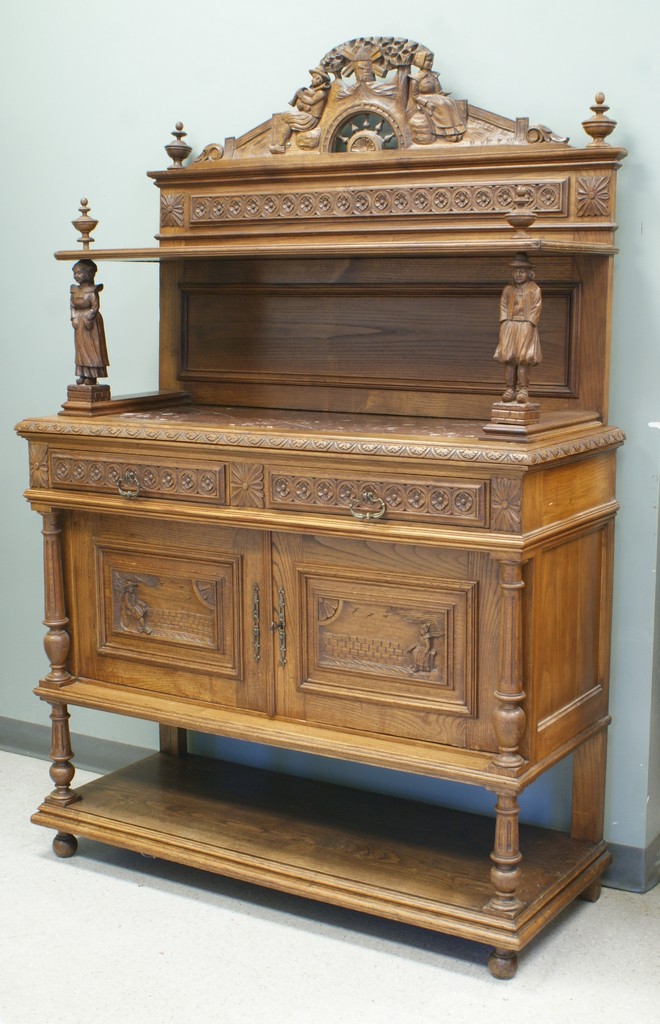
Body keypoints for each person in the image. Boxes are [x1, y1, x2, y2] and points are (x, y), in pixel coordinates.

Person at [494, 254, 542, 403]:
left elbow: (536, 308)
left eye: (521, 271)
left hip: (526, 325)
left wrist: (530, 324)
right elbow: (503, 305)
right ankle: (509, 389)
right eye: (515, 271)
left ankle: (522, 390)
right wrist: (504, 322)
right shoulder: (508, 289)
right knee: (509, 358)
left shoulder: (534, 289)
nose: (518, 274)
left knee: (523, 358)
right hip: (510, 325)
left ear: (528, 272)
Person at [270, 67, 331, 153]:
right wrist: (302, 93)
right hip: (308, 115)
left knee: (287, 117)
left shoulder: (321, 93)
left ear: (319, 79)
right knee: (286, 116)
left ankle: (281, 146)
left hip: (312, 119)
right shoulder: (316, 91)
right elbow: (309, 96)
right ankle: (282, 145)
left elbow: (312, 101)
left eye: (314, 78)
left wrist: (301, 95)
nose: (312, 80)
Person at [410, 52, 466, 142]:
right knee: (442, 104)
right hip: (424, 99)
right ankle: (447, 133)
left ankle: (456, 130)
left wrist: (443, 93)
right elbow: (414, 96)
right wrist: (426, 103)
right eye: (428, 61)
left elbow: (438, 91)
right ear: (421, 61)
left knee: (449, 102)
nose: (430, 63)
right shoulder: (416, 78)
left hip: (436, 97)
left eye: (431, 61)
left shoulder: (434, 76)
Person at [70, 259, 109, 385]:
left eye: (79, 273)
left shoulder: (92, 291)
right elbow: (72, 306)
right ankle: (82, 373)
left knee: (92, 348)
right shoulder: (75, 291)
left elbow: (95, 306)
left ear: (89, 274)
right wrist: (74, 318)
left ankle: (92, 375)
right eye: (74, 273)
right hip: (79, 323)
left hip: (90, 322)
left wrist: (88, 317)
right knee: (81, 349)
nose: (76, 276)